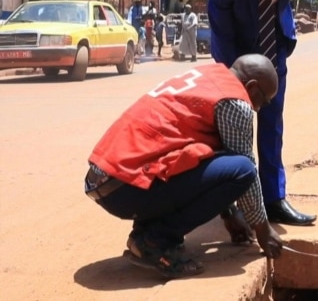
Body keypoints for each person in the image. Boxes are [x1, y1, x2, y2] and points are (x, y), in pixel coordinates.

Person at [84, 54, 284, 278]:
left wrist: (229, 212)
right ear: (252, 86)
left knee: (208, 158)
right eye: (263, 100)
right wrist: (263, 230)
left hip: (107, 180)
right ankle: (155, 242)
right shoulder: (236, 102)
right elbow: (243, 169)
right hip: (124, 186)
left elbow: (214, 163)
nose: (259, 108)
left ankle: (144, 234)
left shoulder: (210, 76)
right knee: (243, 169)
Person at [208, 0, 316, 226]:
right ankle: (231, 204)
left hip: (274, 47)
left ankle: (274, 200)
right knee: (233, 127)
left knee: (272, 123)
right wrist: (236, 82)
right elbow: (222, 34)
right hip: (236, 51)